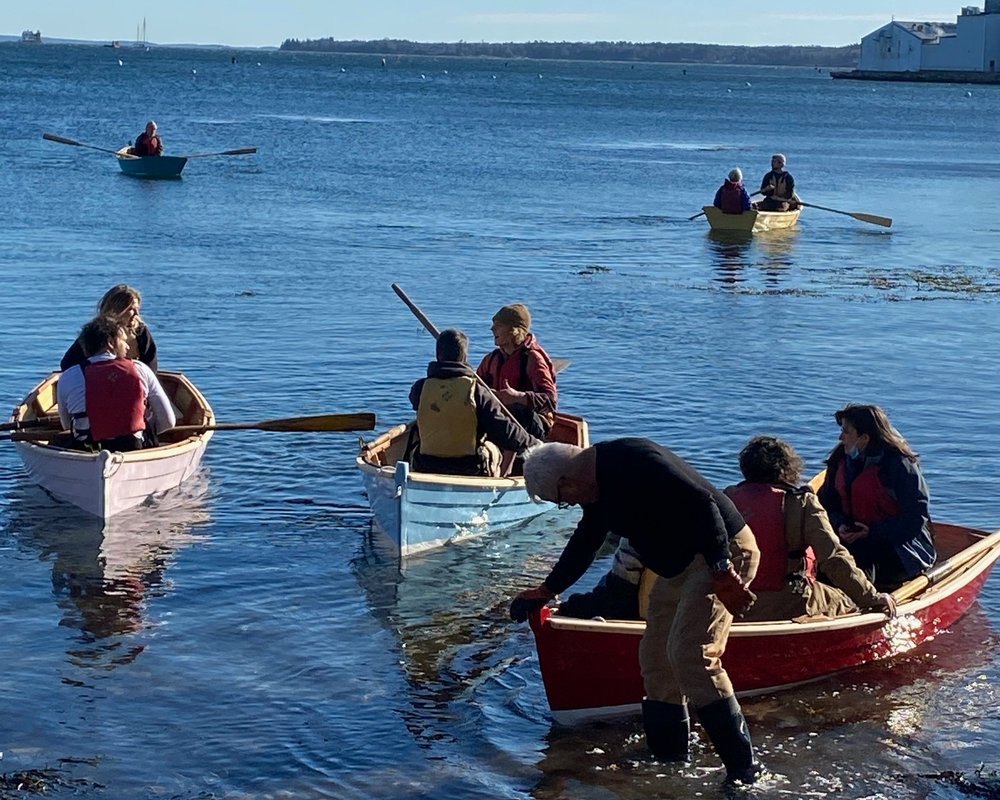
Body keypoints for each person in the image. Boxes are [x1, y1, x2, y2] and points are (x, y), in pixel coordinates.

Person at [509, 438, 764, 786]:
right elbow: (586, 540)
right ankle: (668, 756)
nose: (567, 504)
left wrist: (722, 569)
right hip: (678, 565)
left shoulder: (634, 459)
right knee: (656, 658)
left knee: (690, 655)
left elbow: (703, 503)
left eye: (561, 500)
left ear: (566, 481)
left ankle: (745, 770)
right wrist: (547, 590)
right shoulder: (596, 491)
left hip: (721, 551)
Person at [724, 435, 896, 621]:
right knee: (846, 602)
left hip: (733, 602)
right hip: (790, 600)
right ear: (787, 469)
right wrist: (870, 597)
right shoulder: (801, 503)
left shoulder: (726, 500)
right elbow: (833, 559)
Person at [818, 404, 936, 592]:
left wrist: (872, 533)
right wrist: (840, 524)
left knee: (861, 567)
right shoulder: (840, 459)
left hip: (900, 548)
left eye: (846, 432)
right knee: (827, 566)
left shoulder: (899, 465)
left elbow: (915, 517)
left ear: (864, 438)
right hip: (852, 538)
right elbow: (825, 503)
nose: (841, 438)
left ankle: (863, 606)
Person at [409, 328, 540, 476]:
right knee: (494, 450)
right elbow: (507, 433)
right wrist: (534, 444)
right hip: (469, 468)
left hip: (425, 465)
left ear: (438, 355)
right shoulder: (478, 392)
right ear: (465, 357)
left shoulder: (419, 389)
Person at [57, 315, 175, 452]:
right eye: (124, 340)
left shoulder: (68, 376)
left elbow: (66, 425)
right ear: (111, 342)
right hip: (132, 448)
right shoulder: (140, 369)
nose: (127, 346)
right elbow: (168, 422)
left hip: (87, 449)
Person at [476, 304, 557, 440]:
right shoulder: (491, 359)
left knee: (516, 411)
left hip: (533, 425)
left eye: (499, 325)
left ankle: (508, 460)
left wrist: (518, 397)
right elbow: (476, 386)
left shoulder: (533, 359)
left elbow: (550, 400)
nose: (492, 329)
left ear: (514, 330)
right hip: (499, 417)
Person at [61, 284, 158, 373]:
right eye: (131, 309)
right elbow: (68, 363)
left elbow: (151, 365)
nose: (137, 314)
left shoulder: (140, 331)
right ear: (117, 308)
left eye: (138, 309)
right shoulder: (98, 331)